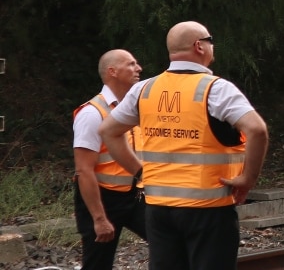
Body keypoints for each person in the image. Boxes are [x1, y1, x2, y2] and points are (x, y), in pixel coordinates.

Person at [99, 21, 269, 270]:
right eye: (210, 41)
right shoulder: (216, 89)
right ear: (199, 46)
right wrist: (248, 179)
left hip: (158, 208)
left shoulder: (144, 89)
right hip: (208, 208)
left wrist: (139, 171)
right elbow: (257, 129)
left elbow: (108, 131)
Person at [72, 49, 149, 270]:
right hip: (102, 199)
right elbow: (83, 170)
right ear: (112, 71)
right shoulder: (92, 113)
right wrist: (99, 218)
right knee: (98, 264)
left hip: (136, 195)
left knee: (171, 241)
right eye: (132, 64)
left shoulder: (135, 107)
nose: (138, 69)